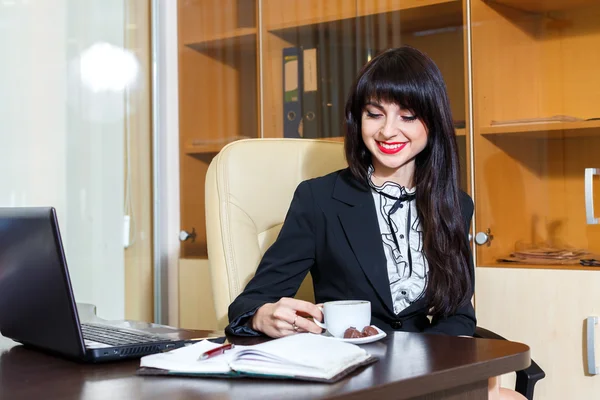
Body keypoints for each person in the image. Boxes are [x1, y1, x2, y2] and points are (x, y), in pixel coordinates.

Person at [226, 46, 525, 400]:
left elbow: (458, 315)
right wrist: (262, 316)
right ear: (358, 120)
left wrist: (426, 365)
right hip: (351, 375)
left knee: (501, 394)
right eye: (374, 114)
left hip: (424, 371)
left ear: (433, 121)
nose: (388, 131)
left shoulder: (455, 204)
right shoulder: (318, 199)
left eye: (408, 116)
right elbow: (248, 304)